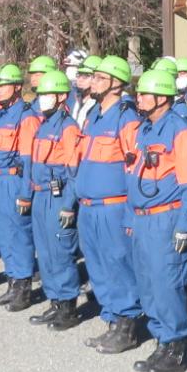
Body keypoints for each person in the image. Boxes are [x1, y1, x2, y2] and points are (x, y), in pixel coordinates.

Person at [126, 68, 187, 372]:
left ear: (161, 98)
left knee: (167, 283)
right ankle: (161, 338)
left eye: (145, 94)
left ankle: (175, 345)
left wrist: (185, 225)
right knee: (148, 282)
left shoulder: (180, 132)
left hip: (167, 217)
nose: (139, 98)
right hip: (144, 217)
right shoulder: (144, 130)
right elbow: (133, 174)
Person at [76, 55, 145, 353]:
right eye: (95, 77)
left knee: (117, 263)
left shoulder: (127, 119)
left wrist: (131, 211)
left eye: (101, 78)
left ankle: (127, 324)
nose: (94, 82)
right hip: (89, 205)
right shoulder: (94, 115)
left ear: (117, 84)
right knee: (97, 264)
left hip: (112, 206)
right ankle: (111, 318)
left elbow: (134, 169)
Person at [26, 69, 87, 331]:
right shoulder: (43, 125)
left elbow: (73, 171)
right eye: (40, 95)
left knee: (61, 252)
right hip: (40, 194)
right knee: (45, 252)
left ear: (62, 96)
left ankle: (68, 307)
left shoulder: (68, 128)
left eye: (48, 95)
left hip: (58, 195)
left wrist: (68, 205)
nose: (42, 100)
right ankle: (54, 300)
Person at [0, 64, 40, 311]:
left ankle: (23, 288)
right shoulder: (2, 114)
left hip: (14, 181)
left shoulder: (25, 117)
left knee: (19, 235)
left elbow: (28, 160)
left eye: (4, 86)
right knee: (4, 234)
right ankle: (12, 281)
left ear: (17, 88)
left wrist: (26, 193)